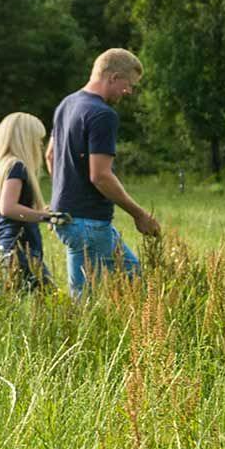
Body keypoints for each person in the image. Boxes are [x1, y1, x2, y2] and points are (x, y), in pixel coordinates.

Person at [49, 48, 163, 298]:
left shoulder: (67, 104)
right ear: (112, 77)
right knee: (89, 302)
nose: (129, 92)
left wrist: (63, 197)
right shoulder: (102, 115)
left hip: (67, 218)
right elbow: (100, 176)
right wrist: (139, 215)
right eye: (128, 85)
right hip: (89, 223)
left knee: (135, 280)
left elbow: (50, 156)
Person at [0, 111, 53, 292]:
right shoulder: (17, 167)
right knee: (49, 301)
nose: (40, 145)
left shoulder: (1, 166)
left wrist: (35, 212)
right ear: (26, 140)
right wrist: (45, 216)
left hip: (6, 250)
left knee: (9, 305)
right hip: (22, 252)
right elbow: (8, 208)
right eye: (38, 140)